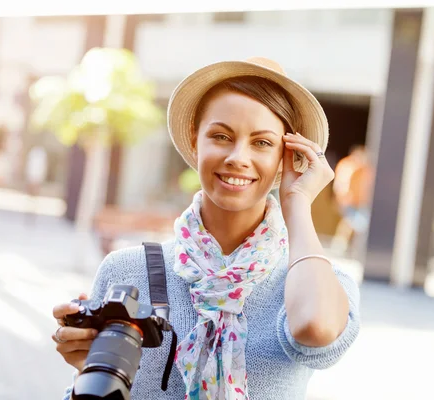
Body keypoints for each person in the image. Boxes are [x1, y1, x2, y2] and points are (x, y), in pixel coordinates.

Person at [52, 57, 361, 400]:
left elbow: (315, 328)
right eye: (221, 136)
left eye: (262, 143)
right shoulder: (127, 270)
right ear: (194, 140)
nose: (238, 157)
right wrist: (88, 371)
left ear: (286, 158)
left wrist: (298, 202)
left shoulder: (318, 281)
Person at [331, 145, 374, 257]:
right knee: (354, 222)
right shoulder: (349, 166)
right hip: (349, 201)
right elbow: (342, 185)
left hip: (359, 202)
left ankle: (343, 246)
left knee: (352, 223)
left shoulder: (363, 168)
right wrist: (343, 197)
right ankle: (342, 246)